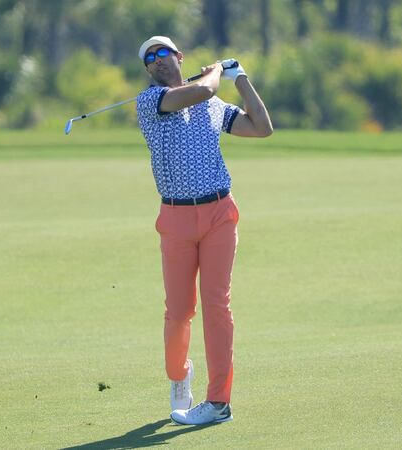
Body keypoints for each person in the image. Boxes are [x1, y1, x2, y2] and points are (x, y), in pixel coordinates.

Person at [135, 36, 273, 426]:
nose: (157, 60)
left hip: (219, 214)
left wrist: (240, 77)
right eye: (149, 58)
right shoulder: (151, 101)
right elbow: (202, 91)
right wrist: (215, 73)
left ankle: (218, 402)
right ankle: (180, 376)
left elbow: (261, 127)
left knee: (217, 306)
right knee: (179, 311)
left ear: (179, 57)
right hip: (176, 218)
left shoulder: (212, 105)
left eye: (162, 52)